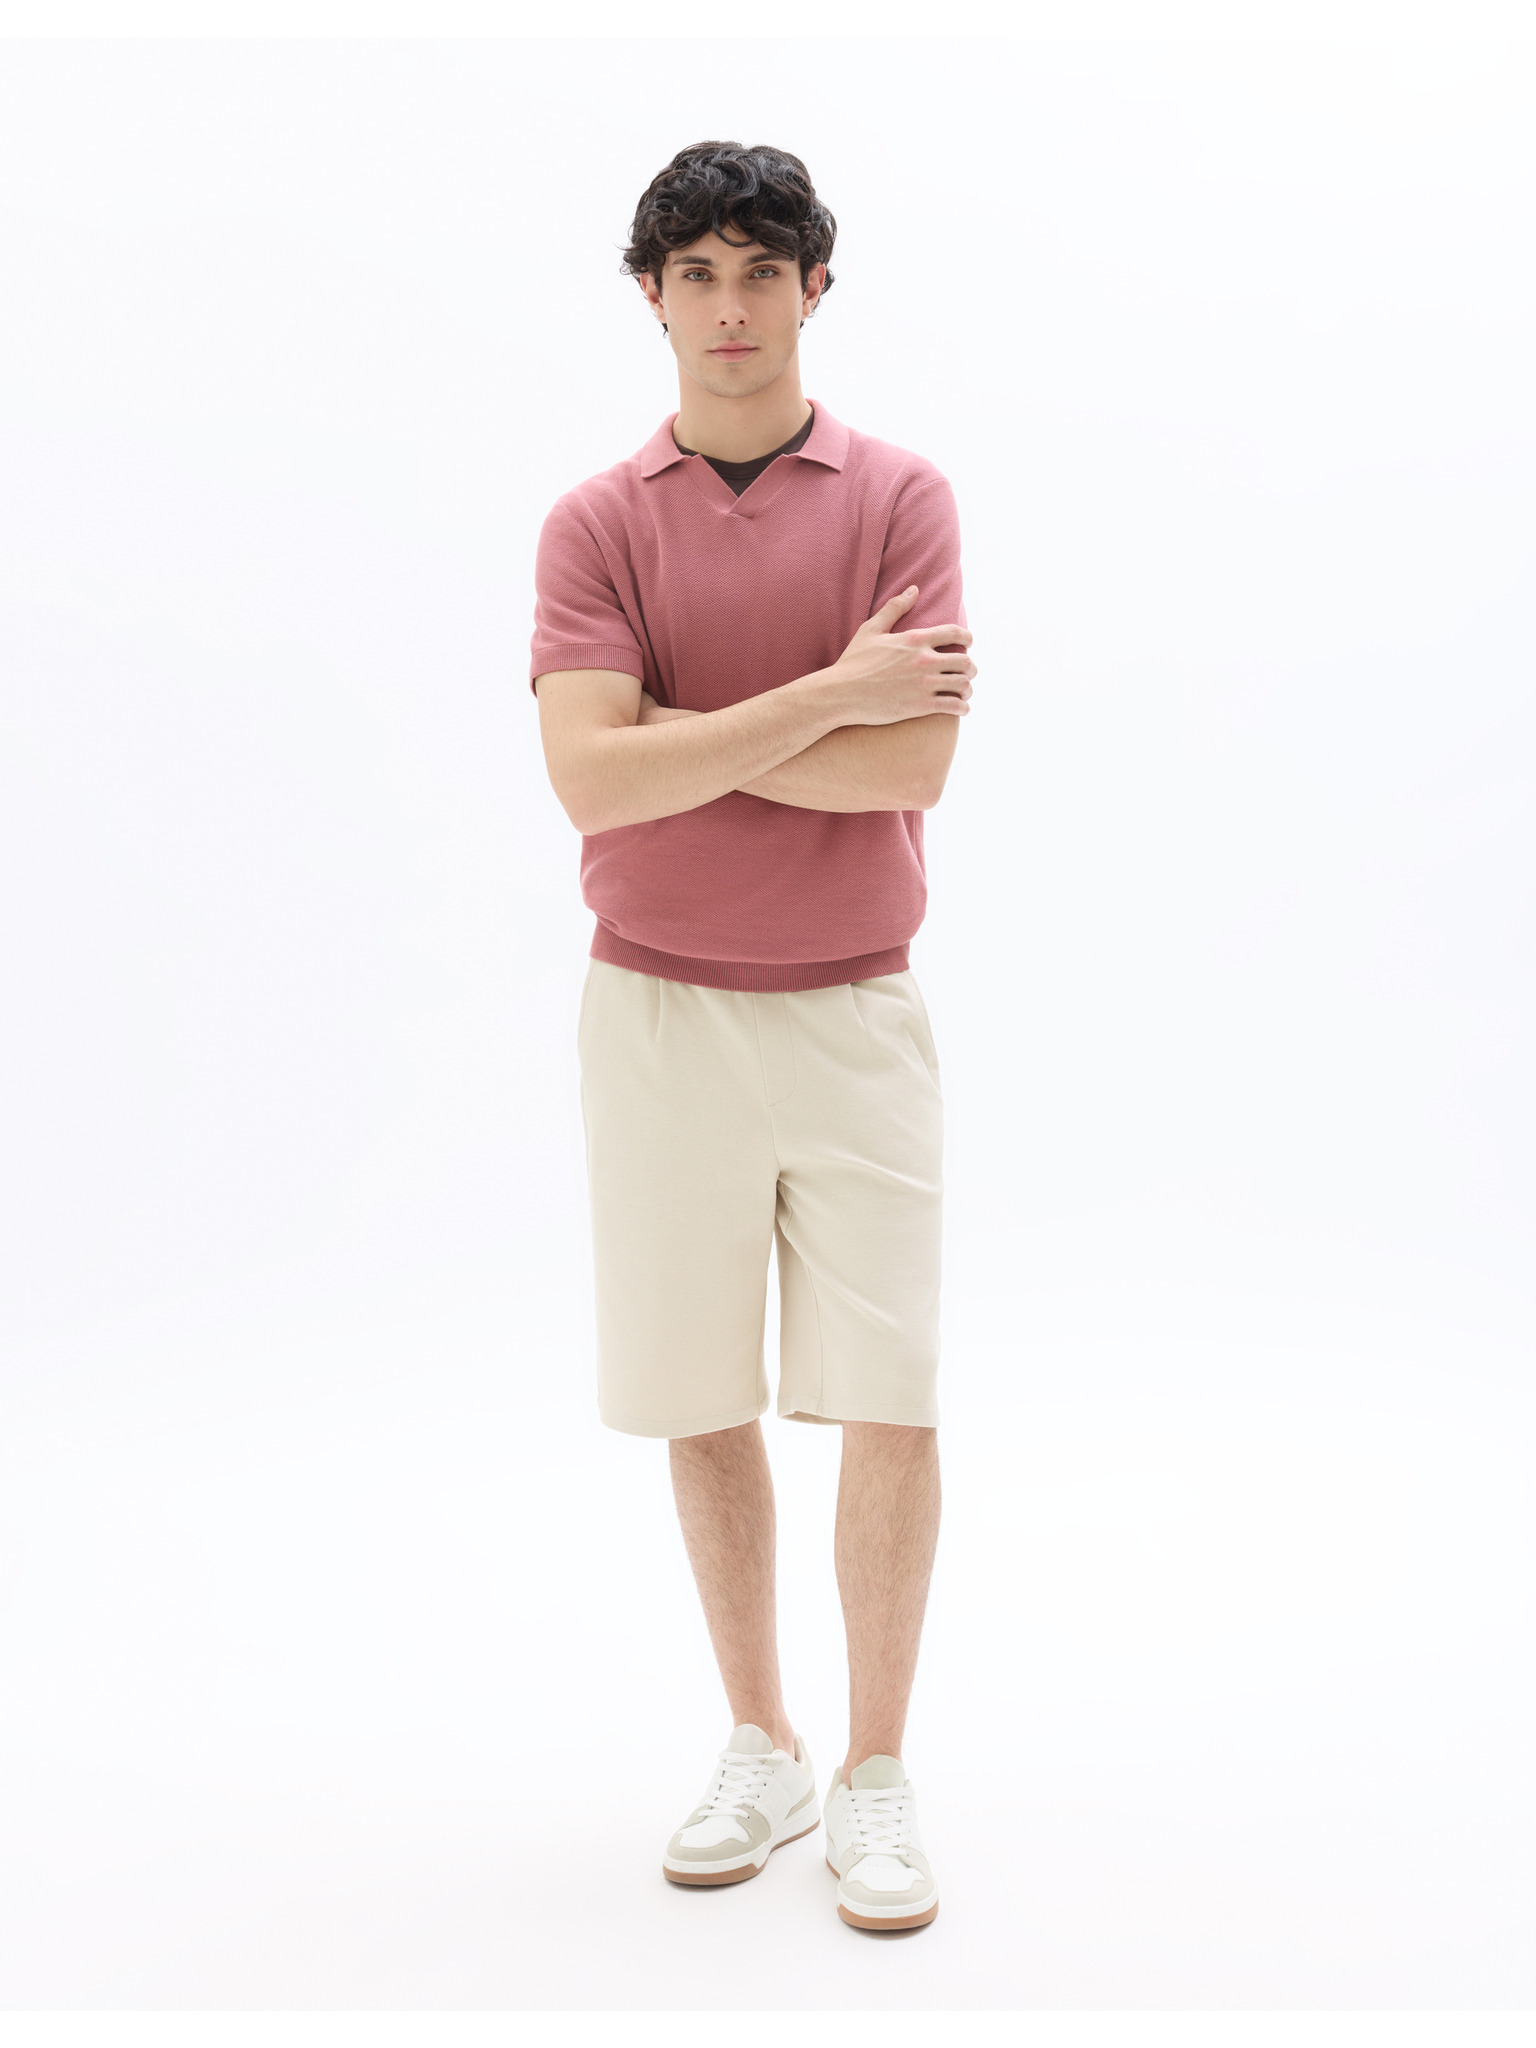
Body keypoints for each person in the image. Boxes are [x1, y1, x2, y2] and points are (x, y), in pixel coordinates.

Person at [529, 140, 974, 1932]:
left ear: (814, 291)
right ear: (651, 294)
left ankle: (874, 1771)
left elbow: (915, 760)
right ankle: (762, 1741)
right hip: (654, 1011)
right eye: (697, 274)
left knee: (891, 1398)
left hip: (857, 1006)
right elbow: (587, 779)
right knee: (697, 1395)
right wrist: (826, 698)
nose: (730, 306)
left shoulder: (904, 498)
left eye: (762, 272)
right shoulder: (595, 524)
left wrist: (685, 741)